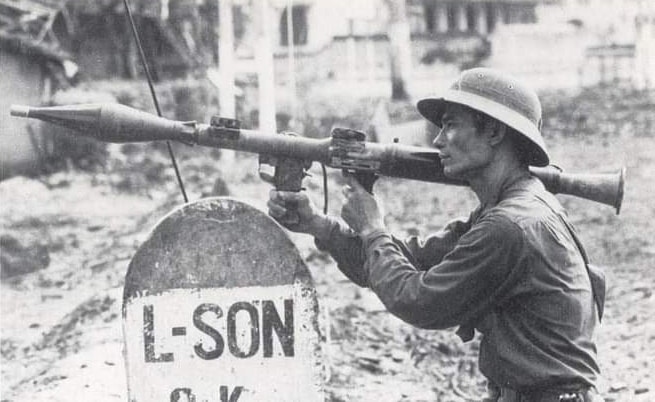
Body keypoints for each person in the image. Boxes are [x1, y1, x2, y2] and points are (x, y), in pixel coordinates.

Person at [267, 68, 605, 402]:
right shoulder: (508, 210)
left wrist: (373, 228)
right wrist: (319, 225)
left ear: (494, 132)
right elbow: (408, 261)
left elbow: (417, 300)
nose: (437, 140)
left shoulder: (510, 226)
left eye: (451, 125)